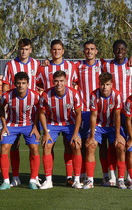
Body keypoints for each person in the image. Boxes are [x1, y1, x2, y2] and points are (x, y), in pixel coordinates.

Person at [36, 39, 78, 186]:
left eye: (59, 49)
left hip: (68, 115)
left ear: (63, 50)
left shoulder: (71, 67)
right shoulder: (43, 68)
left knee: (70, 145)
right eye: (54, 49)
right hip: (50, 116)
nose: (56, 52)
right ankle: (49, 179)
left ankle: (69, 177)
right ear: (50, 51)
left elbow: (75, 83)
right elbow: (38, 85)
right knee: (48, 145)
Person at [2, 38, 40, 187]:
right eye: (21, 49)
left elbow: (42, 83)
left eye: (26, 49)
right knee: (14, 145)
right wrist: (10, 103)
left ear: (30, 50)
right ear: (18, 49)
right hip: (14, 114)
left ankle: (34, 177)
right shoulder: (10, 65)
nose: (23, 51)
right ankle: (15, 177)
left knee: (35, 146)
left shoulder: (37, 64)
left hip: (32, 113)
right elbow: (5, 86)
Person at [74, 40, 111, 185]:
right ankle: (83, 174)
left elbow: (121, 63)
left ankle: (105, 175)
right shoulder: (78, 66)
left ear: (96, 51)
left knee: (103, 145)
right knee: (85, 144)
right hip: (84, 111)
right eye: (87, 49)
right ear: (84, 51)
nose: (89, 51)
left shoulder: (103, 65)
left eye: (92, 49)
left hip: (101, 111)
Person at [38, 70, 82, 189]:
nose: (59, 84)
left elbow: (78, 114)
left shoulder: (74, 94)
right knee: (47, 145)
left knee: (76, 145)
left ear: (66, 81)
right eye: (56, 81)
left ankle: (76, 180)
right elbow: (41, 113)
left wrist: (76, 133)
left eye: (61, 81)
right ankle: (48, 181)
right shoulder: (46, 95)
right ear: (53, 82)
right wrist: (45, 132)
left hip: (70, 123)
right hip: (52, 123)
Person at [82, 72, 126, 189]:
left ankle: (120, 180)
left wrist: (117, 135)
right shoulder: (94, 94)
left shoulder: (117, 95)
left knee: (120, 146)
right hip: (98, 126)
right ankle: (90, 180)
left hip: (112, 126)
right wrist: (91, 135)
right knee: (91, 146)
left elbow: (117, 116)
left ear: (111, 84)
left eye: (107, 84)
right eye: (102, 84)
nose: (104, 87)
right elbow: (93, 116)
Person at [101, 39, 132, 186]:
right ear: (113, 50)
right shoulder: (106, 66)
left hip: (129, 110)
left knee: (128, 144)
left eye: (122, 49)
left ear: (126, 51)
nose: (119, 52)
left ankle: (128, 175)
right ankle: (112, 175)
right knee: (113, 144)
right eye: (117, 49)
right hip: (113, 109)